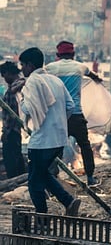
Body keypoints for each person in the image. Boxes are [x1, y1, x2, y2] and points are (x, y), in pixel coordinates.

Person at [19, 47, 80, 215]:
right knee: (43, 174)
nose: (22, 69)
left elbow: (27, 109)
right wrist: (58, 122)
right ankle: (69, 201)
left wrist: (22, 98)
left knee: (34, 182)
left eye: (22, 65)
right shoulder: (56, 81)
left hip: (41, 142)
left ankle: (42, 217)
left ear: (30, 65)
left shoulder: (33, 82)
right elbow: (70, 106)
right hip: (59, 140)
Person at [45, 41, 102, 186]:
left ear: (58, 55)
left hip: (58, 116)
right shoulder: (80, 67)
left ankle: (53, 177)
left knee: (55, 147)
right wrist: (98, 79)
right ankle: (90, 177)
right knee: (85, 145)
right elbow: (94, 76)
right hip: (76, 114)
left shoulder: (50, 68)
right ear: (73, 54)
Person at [0, 61, 26, 177]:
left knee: (11, 159)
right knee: (17, 156)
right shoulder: (19, 86)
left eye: (3, 75)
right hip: (17, 130)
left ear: (8, 73)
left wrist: (5, 132)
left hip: (12, 131)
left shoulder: (12, 91)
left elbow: (12, 114)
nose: (3, 78)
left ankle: (15, 180)